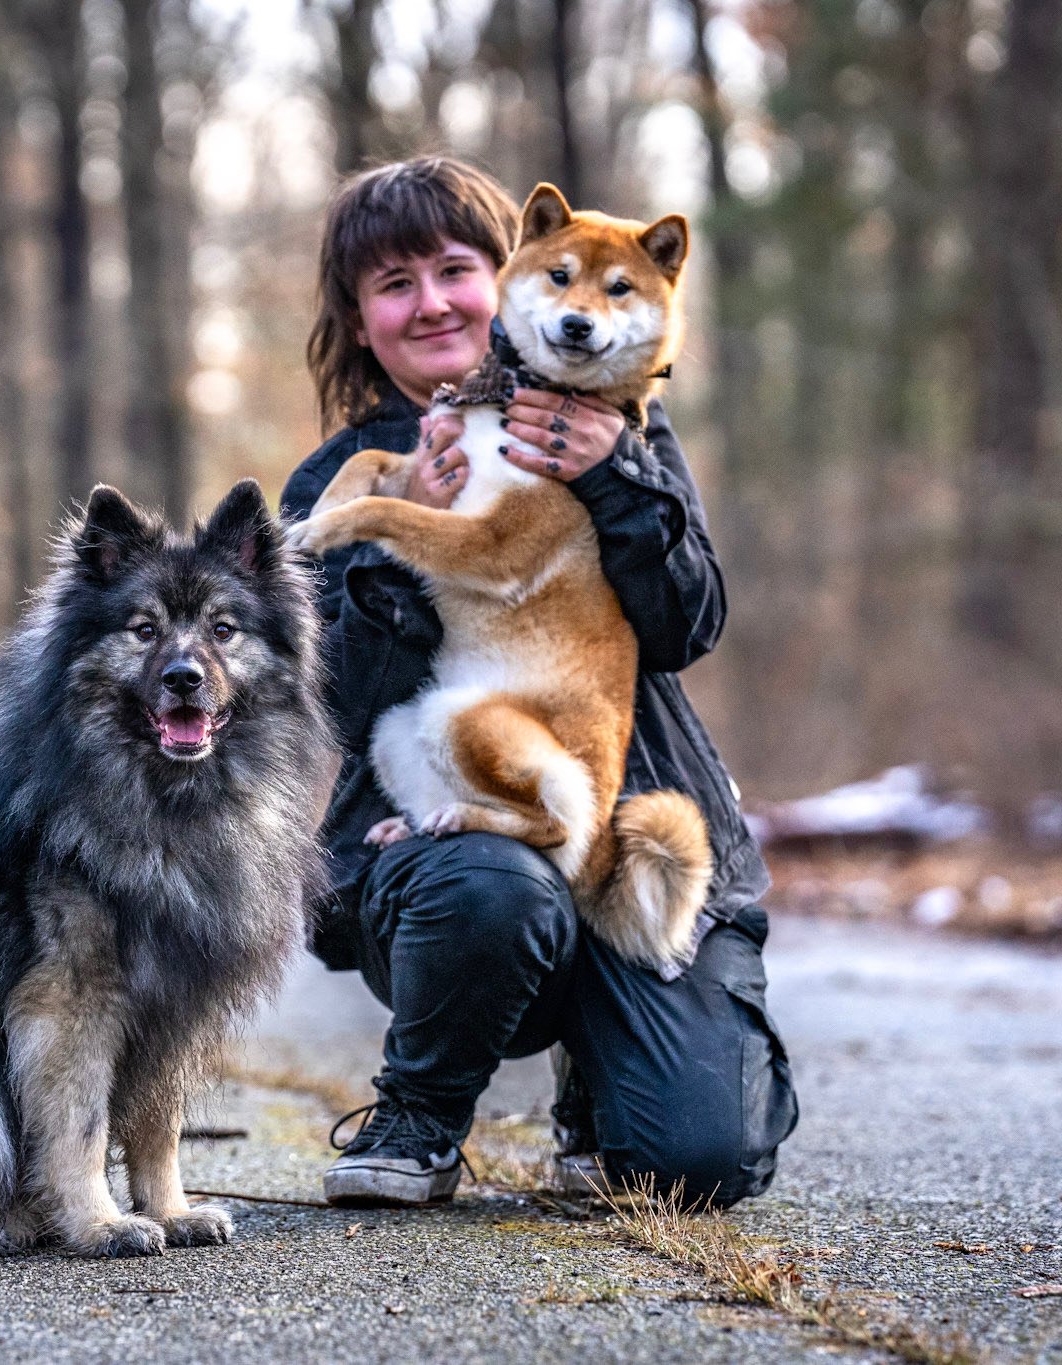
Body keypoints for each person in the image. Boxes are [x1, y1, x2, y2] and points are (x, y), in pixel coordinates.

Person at [280, 157, 798, 1209]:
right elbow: (323, 701)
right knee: (488, 880)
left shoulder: (625, 429)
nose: (429, 302)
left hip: (617, 806)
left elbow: (687, 623)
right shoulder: (336, 478)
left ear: (500, 274)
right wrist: (395, 532)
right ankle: (420, 1114)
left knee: (692, 1163)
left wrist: (609, 472)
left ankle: (601, 1086)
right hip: (439, 844)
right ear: (358, 319)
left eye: (452, 270)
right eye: (391, 284)